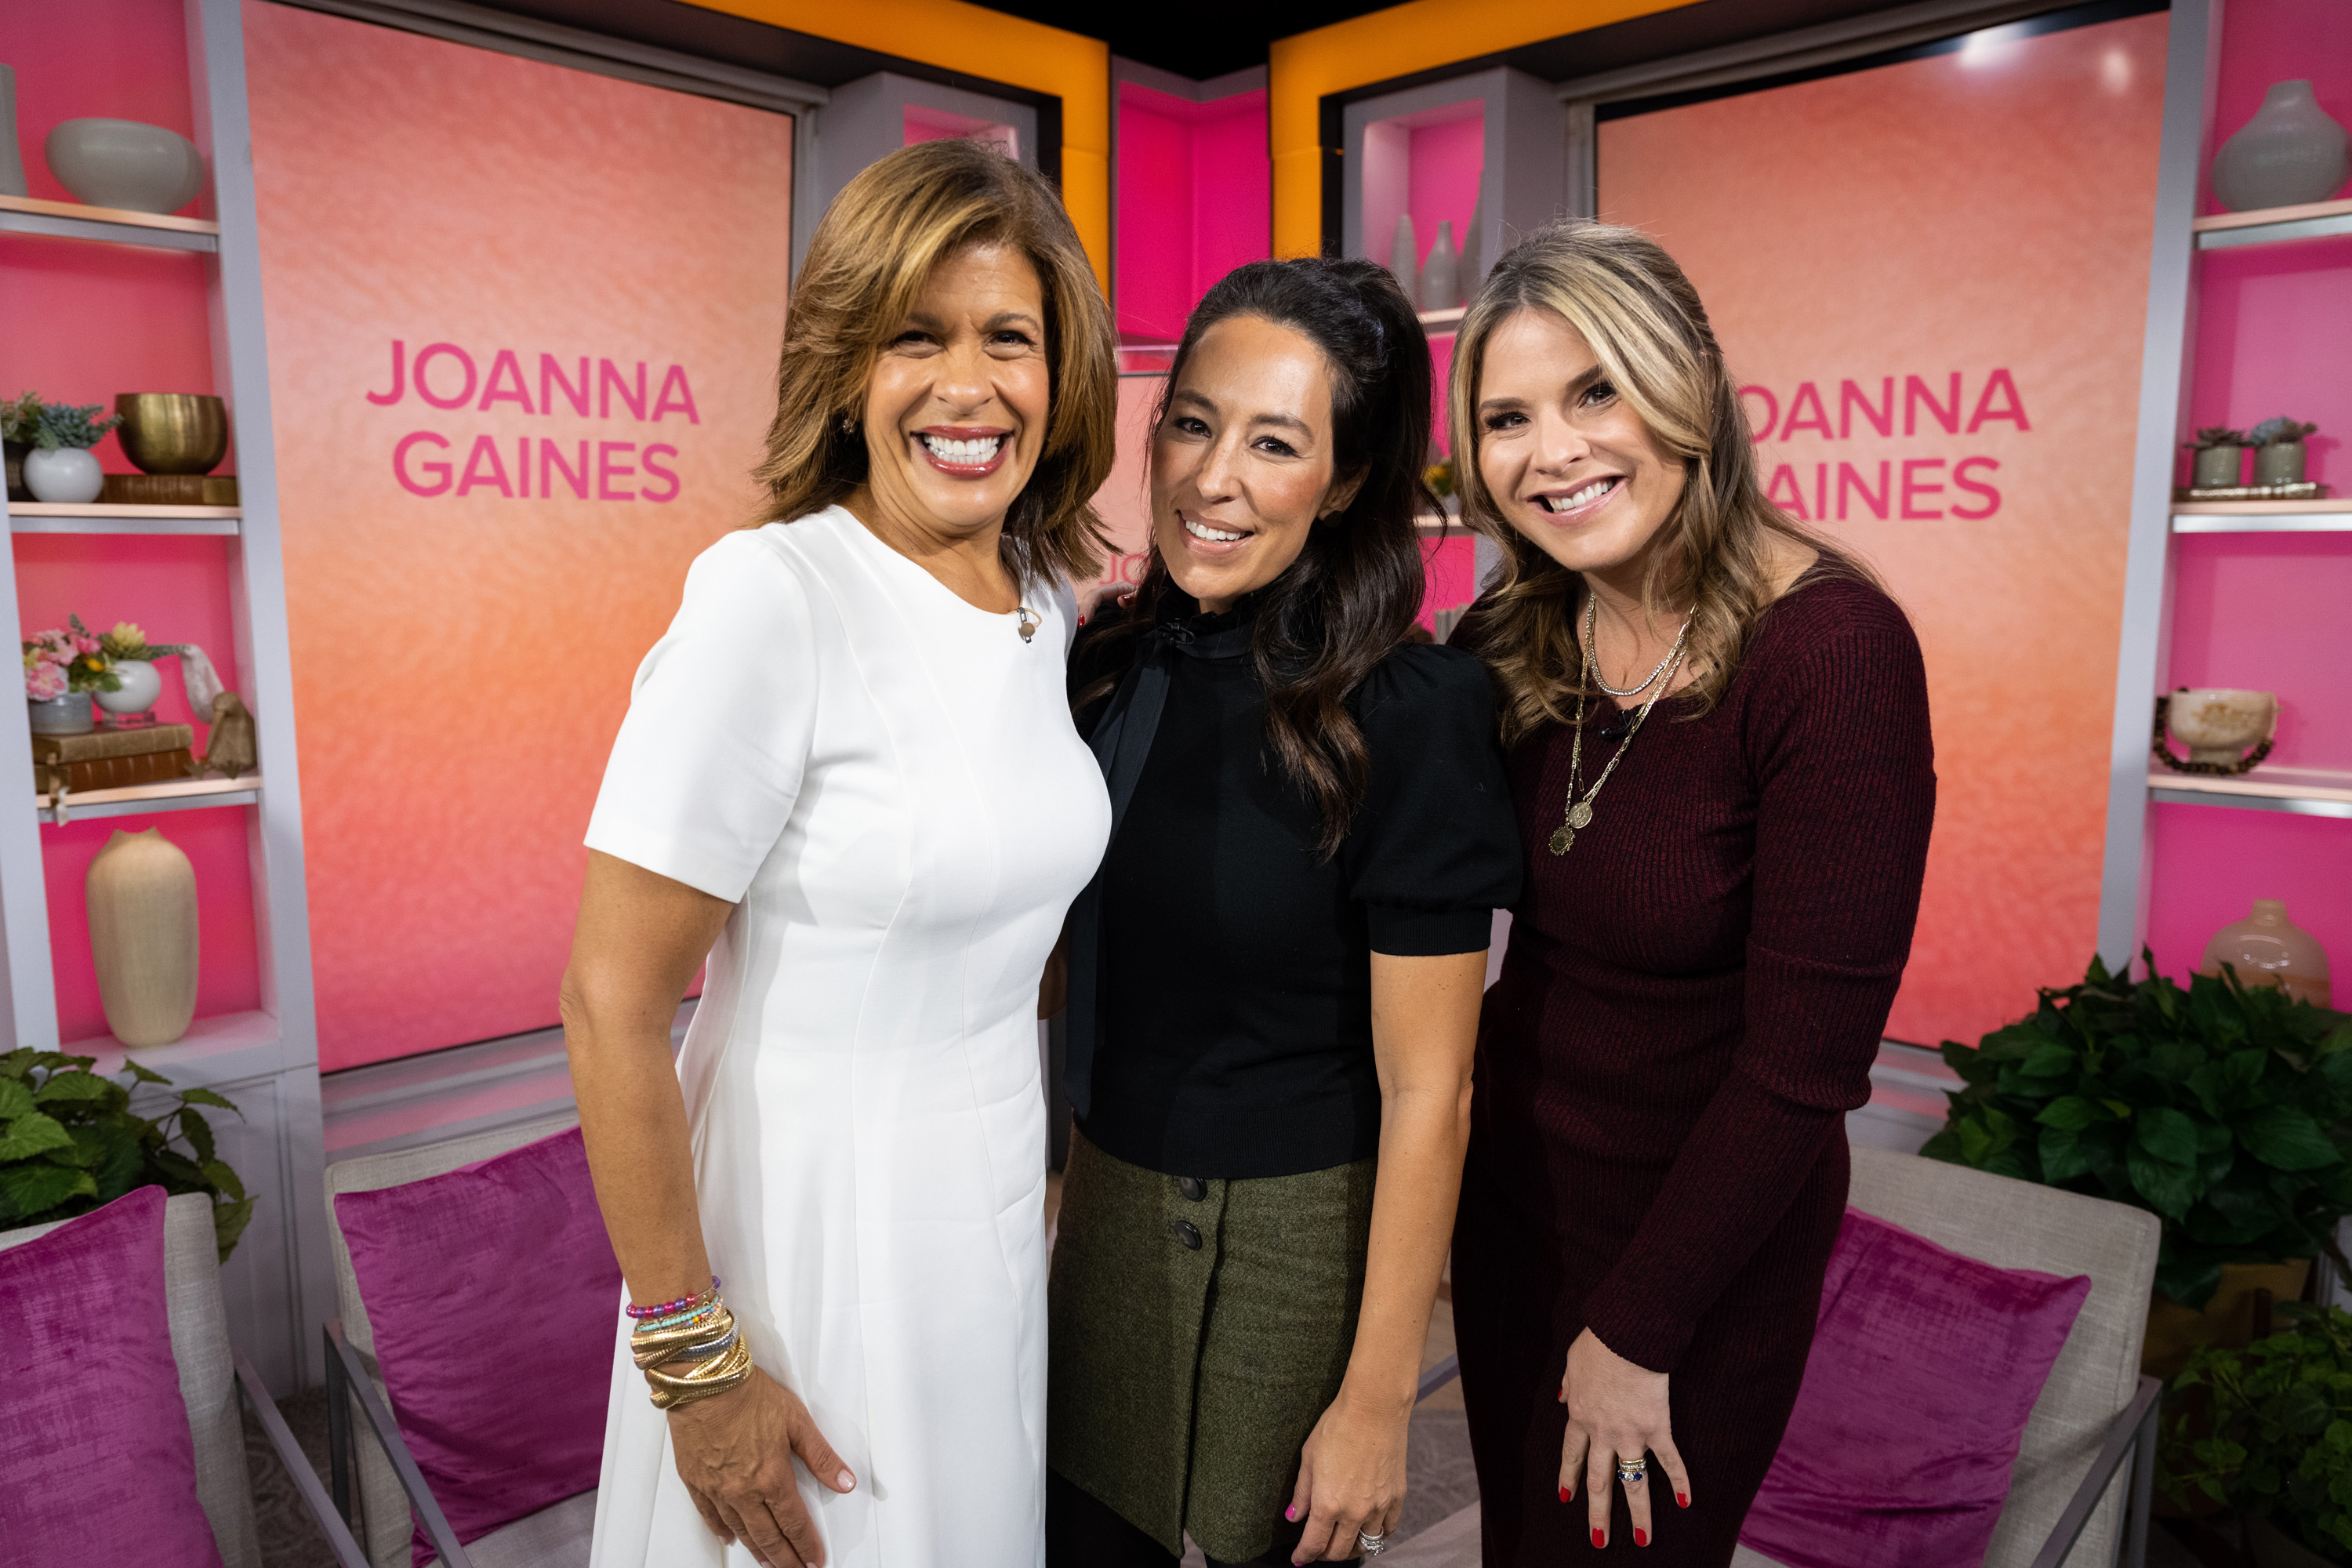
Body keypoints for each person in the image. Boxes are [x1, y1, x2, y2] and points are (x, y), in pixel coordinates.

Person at [564, 137, 1118, 1568]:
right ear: (843, 367)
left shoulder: (1043, 600)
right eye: (912, 339)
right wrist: (696, 1364)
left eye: (1009, 338)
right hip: (811, 1226)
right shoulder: (775, 597)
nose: (966, 386)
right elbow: (612, 1005)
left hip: (987, 1215)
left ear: (1063, 375)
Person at [1443, 221, 1936, 1566]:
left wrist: (1639, 1328)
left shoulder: (1831, 654)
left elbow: (1806, 1068)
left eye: (1596, 390)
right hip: (1515, 1218)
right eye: (1507, 417)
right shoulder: (1517, 631)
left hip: (1697, 1258)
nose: (1554, 450)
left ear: (1695, 388)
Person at [1047, 258, 1523, 1568]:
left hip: (1294, 1243)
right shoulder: (1099, 666)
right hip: (1103, 1218)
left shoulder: (1414, 718)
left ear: (1351, 478)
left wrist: (1380, 1398)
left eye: (1276, 443)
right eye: (1193, 424)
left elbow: (1435, 1094)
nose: (1213, 479)